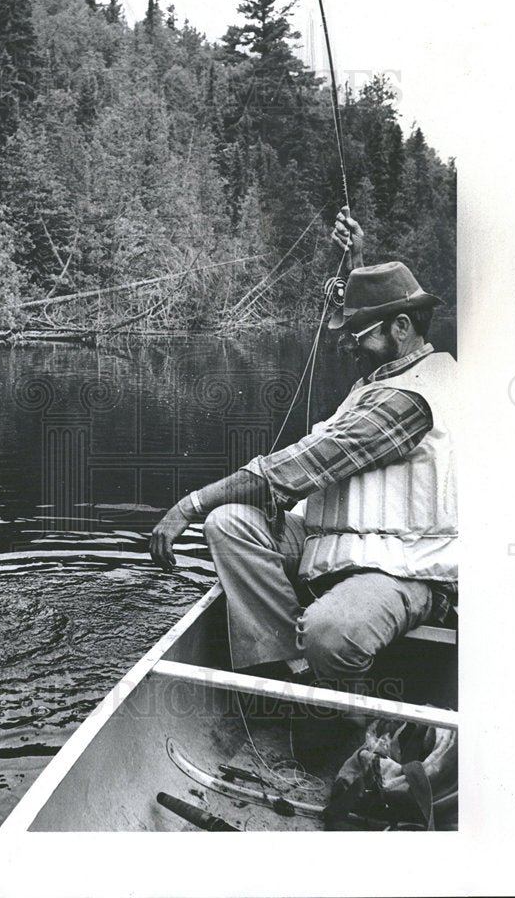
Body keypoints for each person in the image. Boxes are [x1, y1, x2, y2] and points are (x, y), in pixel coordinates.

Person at [149, 209, 457, 690]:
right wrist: (356, 261)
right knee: (229, 523)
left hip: (408, 566)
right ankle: (288, 667)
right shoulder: (384, 377)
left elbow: (301, 467)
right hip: (345, 545)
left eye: (359, 335)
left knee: (331, 631)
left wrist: (188, 504)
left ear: (401, 327)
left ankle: (338, 714)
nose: (349, 346)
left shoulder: (412, 397)